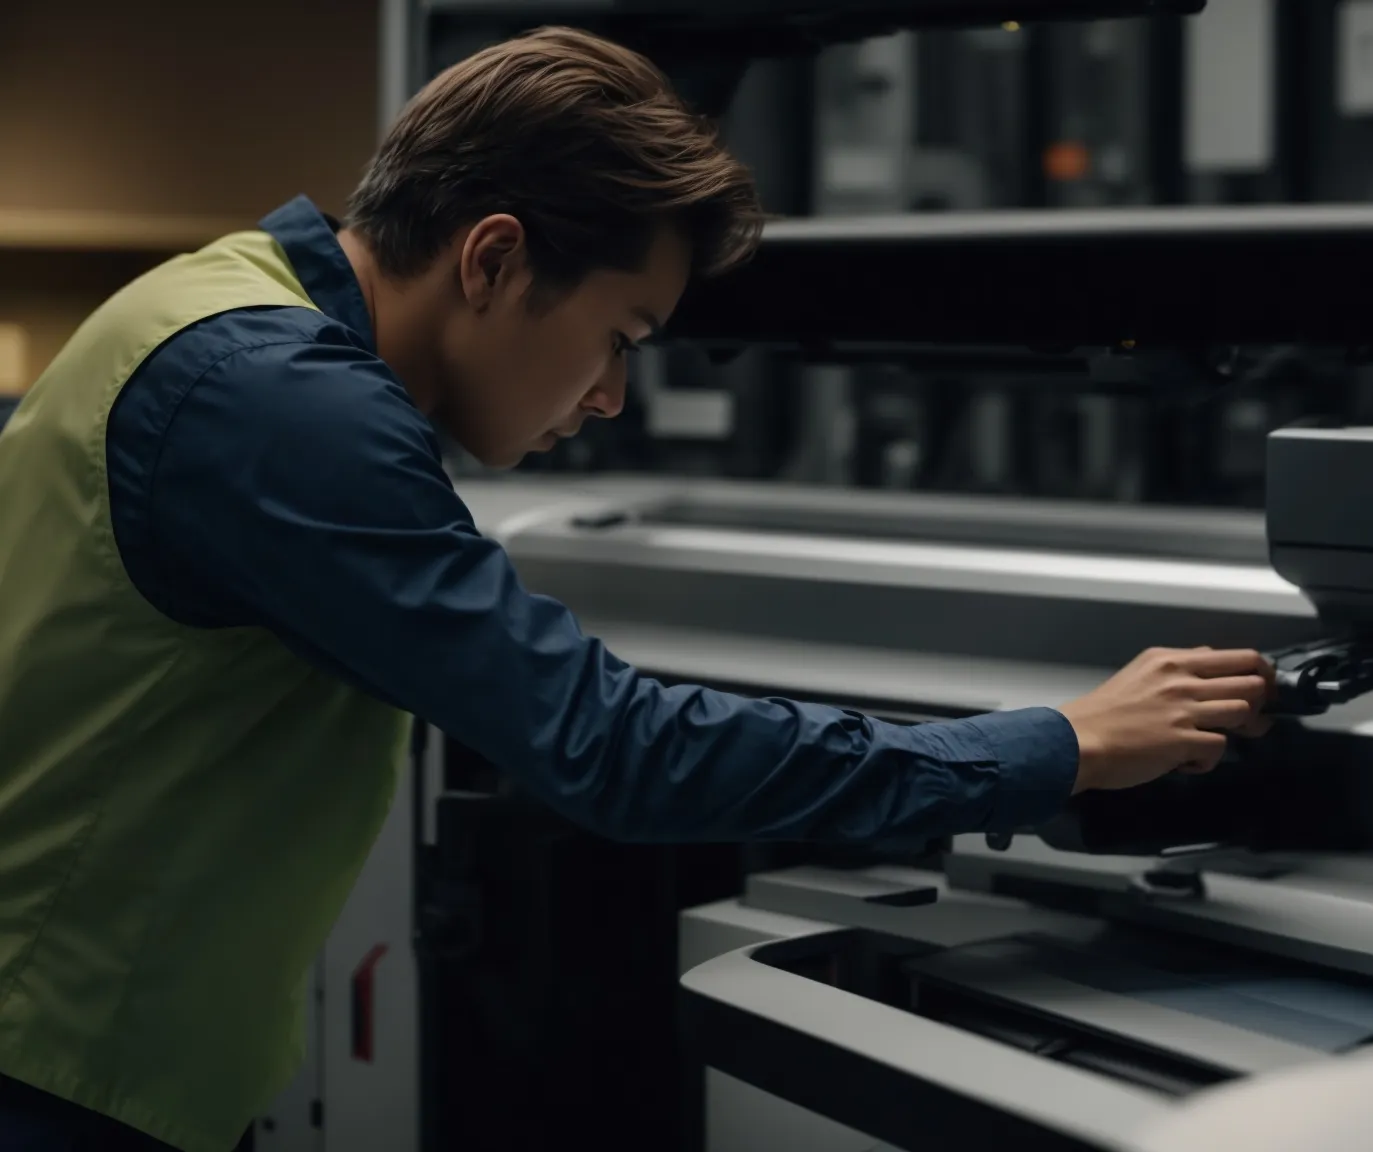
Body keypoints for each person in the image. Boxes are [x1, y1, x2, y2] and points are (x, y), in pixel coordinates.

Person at [0, 25, 1274, 1152]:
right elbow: (612, 751)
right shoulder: (284, 407)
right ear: (492, 259)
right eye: (619, 337)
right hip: (46, 1074)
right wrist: (1054, 747)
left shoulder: (213, 300)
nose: (611, 395)